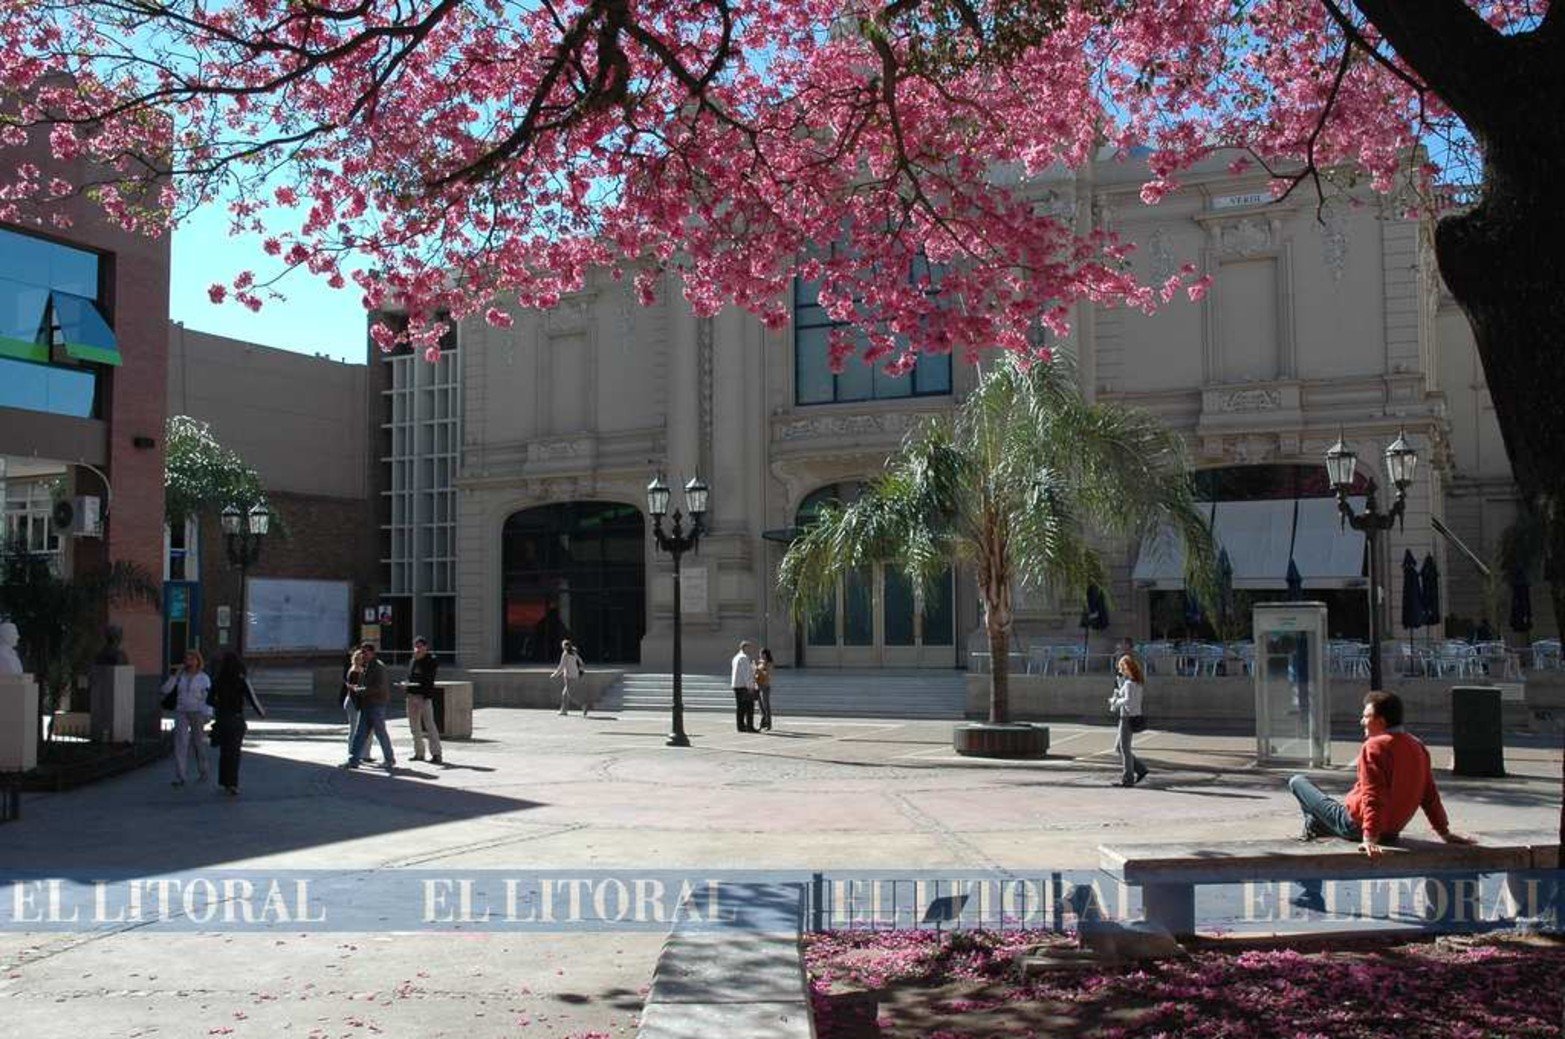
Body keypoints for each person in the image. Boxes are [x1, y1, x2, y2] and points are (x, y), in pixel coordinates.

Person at [1288, 691, 1475, 907]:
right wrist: (1444, 831)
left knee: (1297, 782)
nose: (1362, 721)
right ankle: (1313, 830)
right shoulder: (1417, 746)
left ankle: (1311, 880)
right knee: (1316, 817)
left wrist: (1369, 837)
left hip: (1355, 824)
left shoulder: (1374, 746)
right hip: (1391, 831)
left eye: (1366, 717)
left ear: (1381, 721)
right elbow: (1429, 793)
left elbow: (1373, 795)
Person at [209, 651, 266, 796]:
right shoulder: (241, 679)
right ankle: (232, 783)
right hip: (236, 718)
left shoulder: (218, 679)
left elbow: (208, 700)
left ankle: (223, 781)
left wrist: (219, 706)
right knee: (234, 752)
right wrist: (261, 713)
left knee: (225, 751)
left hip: (222, 719)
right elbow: (252, 698)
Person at [161, 650, 212, 786]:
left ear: (197, 661)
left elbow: (208, 697)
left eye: (192, 659)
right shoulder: (180, 676)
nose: (188, 662)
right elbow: (165, 690)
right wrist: (175, 677)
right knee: (180, 743)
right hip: (181, 711)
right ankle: (180, 776)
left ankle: (203, 770)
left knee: (198, 743)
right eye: (187, 659)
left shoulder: (203, 678)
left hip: (197, 712)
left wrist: (208, 713)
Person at [343, 642, 396, 771]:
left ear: (372, 653)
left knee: (380, 733)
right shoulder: (366, 666)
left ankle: (389, 759)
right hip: (367, 704)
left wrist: (361, 690)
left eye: (365, 652)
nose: (363, 655)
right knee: (360, 733)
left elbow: (379, 687)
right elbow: (365, 684)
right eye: (362, 652)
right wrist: (359, 689)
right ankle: (353, 760)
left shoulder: (378, 667)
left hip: (376, 704)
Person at [1108, 646, 1148, 787]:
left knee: (1124, 749)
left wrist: (1115, 702)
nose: (1120, 671)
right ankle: (1140, 769)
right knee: (1120, 748)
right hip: (1132, 717)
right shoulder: (1136, 683)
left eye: (1121, 668)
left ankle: (1128, 778)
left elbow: (1128, 701)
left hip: (1127, 718)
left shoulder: (1130, 684)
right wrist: (1119, 689)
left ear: (1126, 669)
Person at [405, 636, 443, 764]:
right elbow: (410, 677)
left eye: (420, 646)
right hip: (411, 695)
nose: (418, 649)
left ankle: (436, 753)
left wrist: (420, 659)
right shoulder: (412, 660)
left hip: (424, 696)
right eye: (416, 646)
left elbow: (428, 678)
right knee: (414, 726)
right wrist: (406, 685)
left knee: (429, 724)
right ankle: (419, 752)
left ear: (425, 647)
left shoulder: (431, 660)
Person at [340, 647, 375, 763]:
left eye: (363, 658)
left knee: (363, 729)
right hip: (353, 702)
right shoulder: (354, 670)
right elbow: (351, 687)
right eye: (360, 658)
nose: (363, 659)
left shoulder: (362, 669)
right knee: (354, 729)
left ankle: (364, 754)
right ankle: (353, 753)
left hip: (359, 702)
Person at [551, 639, 587, 716]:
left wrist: (555, 674)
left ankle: (583, 705)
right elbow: (581, 662)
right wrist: (580, 670)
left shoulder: (565, 654)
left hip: (569, 676)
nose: (563, 647)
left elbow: (561, 666)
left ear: (564, 646)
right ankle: (564, 710)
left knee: (571, 694)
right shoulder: (574, 653)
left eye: (563, 646)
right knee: (564, 694)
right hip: (575, 675)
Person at [730, 640, 757, 733]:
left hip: (736, 685)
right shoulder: (744, 658)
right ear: (744, 647)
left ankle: (740, 726)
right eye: (749, 648)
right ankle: (750, 726)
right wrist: (750, 686)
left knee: (740, 707)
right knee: (749, 707)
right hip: (743, 686)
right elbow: (747, 674)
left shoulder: (736, 657)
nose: (750, 650)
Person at [754, 647, 775, 731]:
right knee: (760, 706)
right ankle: (763, 722)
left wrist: (759, 670)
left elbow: (767, 674)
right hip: (758, 685)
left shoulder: (768, 663)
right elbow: (757, 674)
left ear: (765, 654)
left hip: (765, 686)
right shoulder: (760, 663)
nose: (760, 655)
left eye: (761, 653)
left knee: (766, 705)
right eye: (760, 653)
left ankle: (768, 723)